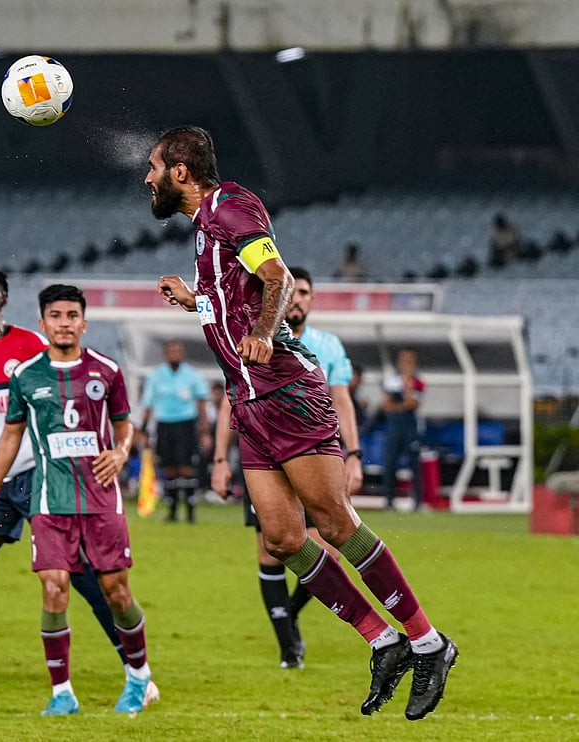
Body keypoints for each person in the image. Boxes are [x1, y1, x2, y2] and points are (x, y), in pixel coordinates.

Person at [147, 125, 456, 720]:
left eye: (155, 167)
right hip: (249, 400)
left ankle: (428, 641)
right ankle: (382, 639)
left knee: (335, 523)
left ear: (180, 172)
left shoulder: (230, 207)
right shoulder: (207, 229)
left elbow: (278, 278)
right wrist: (197, 301)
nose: (148, 178)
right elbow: (236, 295)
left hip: (285, 389)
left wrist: (263, 332)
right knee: (283, 539)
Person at [0, 269, 156, 706]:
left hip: (47, 478)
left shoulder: (34, 347)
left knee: (87, 581)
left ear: (4, 300)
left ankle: (137, 676)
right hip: (3, 481)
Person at [0, 284, 155, 717]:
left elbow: (125, 425)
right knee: (54, 589)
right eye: (56, 315)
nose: (65, 323)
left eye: (72, 315)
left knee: (117, 593)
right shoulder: (26, 376)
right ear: (43, 324)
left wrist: (122, 451)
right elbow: (10, 437)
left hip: (102, 500)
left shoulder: (107, 371)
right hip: (50, 501)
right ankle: (62, 693)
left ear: (83, 323)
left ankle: (139, 675)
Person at [212, 265, 364, 670]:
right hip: (264, 458)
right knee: (271, 550)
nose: (296, 300)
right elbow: (231, 400)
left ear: (311, 300)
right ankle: (288, 647)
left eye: (304, 293)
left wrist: (355, 454)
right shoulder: (251, 339)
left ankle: (289, 614)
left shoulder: (328, 346)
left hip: (315, 457)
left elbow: (343, 400)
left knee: (326, 549)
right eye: (291, 293)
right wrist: (220, 459)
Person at [139, 339, 211, 522]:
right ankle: (172, 511)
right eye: (171, 350)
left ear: (183, 353)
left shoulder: (192, 375)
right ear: (165, 353)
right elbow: (148, 405)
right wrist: (143, 430)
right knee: (169, 468)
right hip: (164, 425)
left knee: (186, 467)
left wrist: (204, 430)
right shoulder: (155, 376)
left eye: (177, 350)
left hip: (186, 424)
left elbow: (201, 402)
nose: (174, 354)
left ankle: (190, 511)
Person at [381, 348, 426, 511]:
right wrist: (402, 406)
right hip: (395, 426)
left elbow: (413, 403)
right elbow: (386, 405)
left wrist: (407, 387)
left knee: (415, 464)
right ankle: (389, 501)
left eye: (410, 361)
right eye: (403, 360)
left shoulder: (418, 382)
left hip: (410, 427)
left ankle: (418, 502)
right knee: (390, 463)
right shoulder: (391, 381)